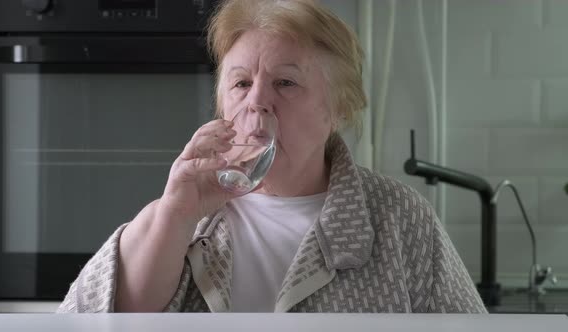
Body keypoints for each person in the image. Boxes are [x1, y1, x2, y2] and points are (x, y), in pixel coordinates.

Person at [57, 0, 487, 313]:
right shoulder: (180, 213)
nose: (257, 102)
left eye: (285, 83)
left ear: (338, 109)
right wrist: (175, 213)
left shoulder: (400, 218)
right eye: (241, 84)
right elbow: (93, 322)